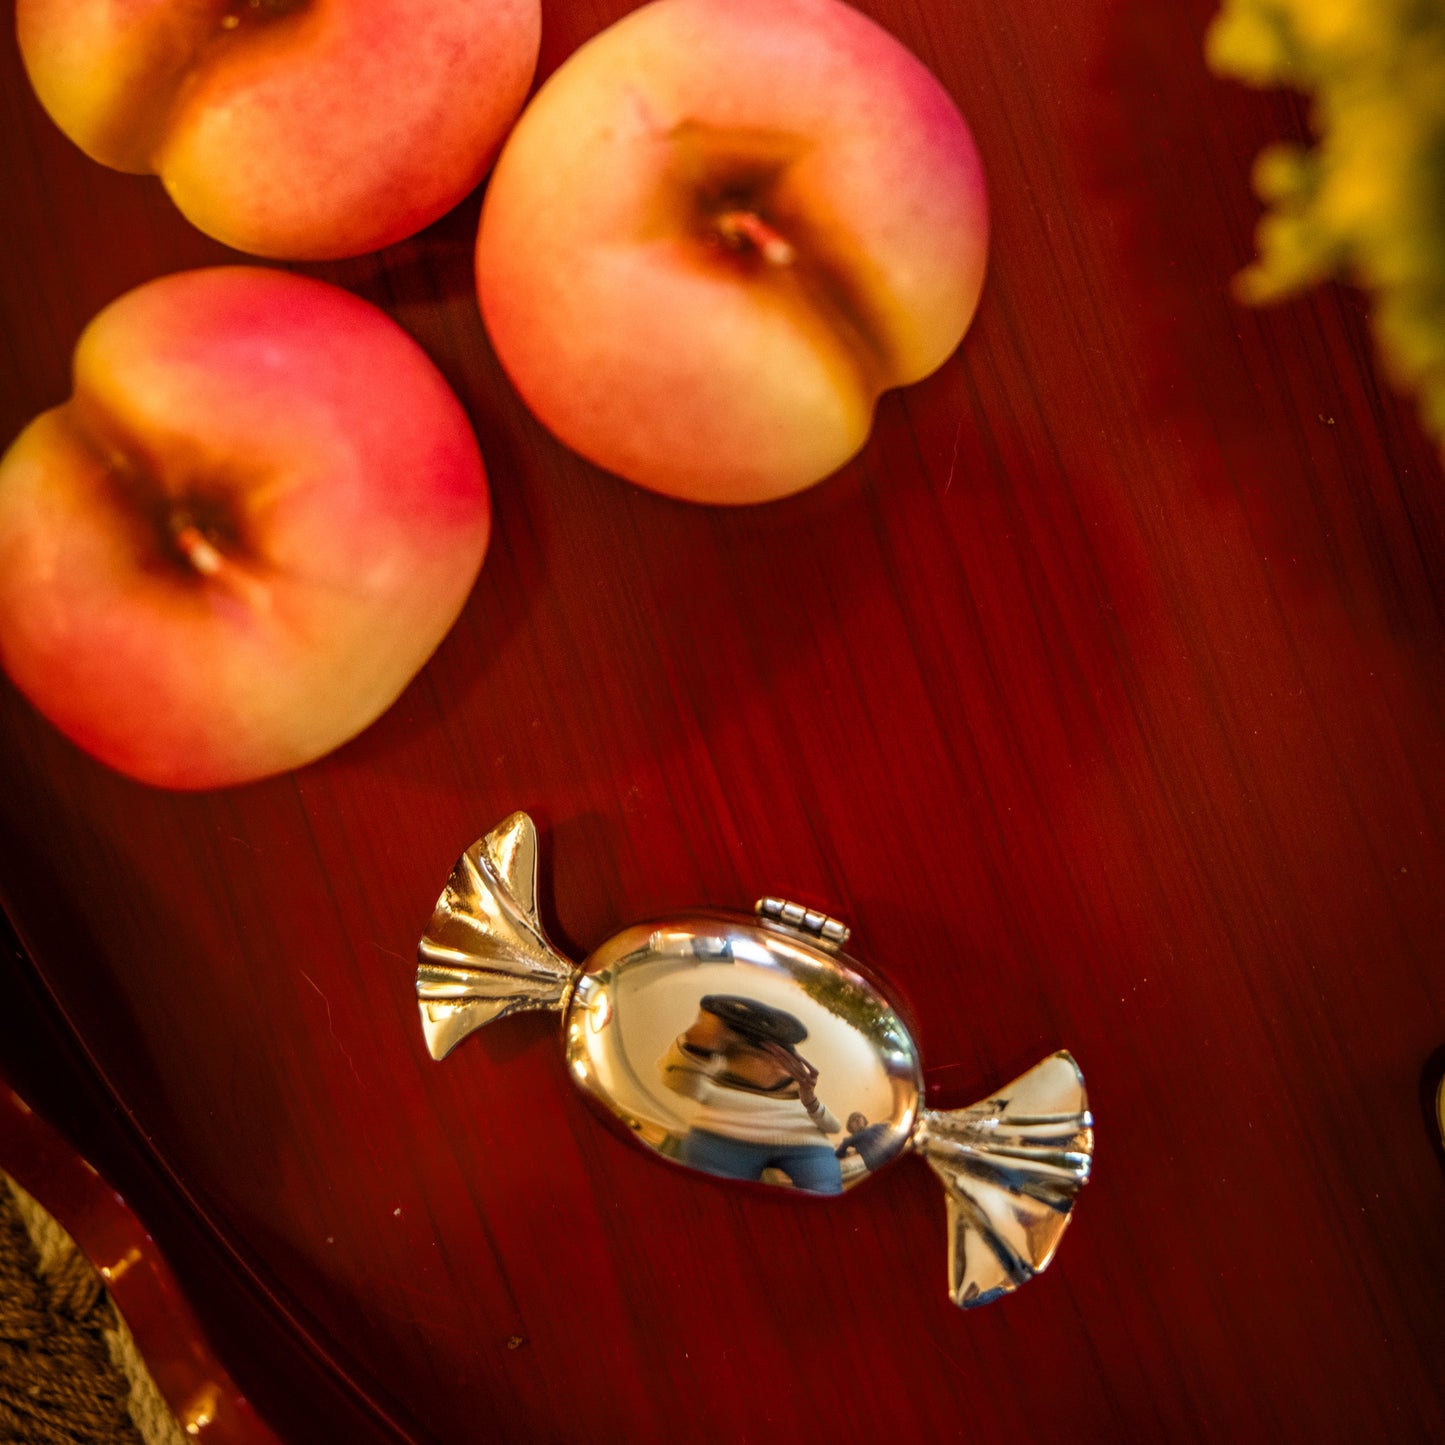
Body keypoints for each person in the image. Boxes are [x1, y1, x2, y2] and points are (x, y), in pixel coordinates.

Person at [659, 994, 844, 1195]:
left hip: (806, 1147)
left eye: (782, 1057)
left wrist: (811, 1101)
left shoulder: (800, 1097)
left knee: (825, 1194)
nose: (775, 1066)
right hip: (722, 1136)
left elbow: (834, 1127)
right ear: (731, 1060)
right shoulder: (715, 1087)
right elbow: (678, 1083)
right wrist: (698, 1045)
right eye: (760, 1056)